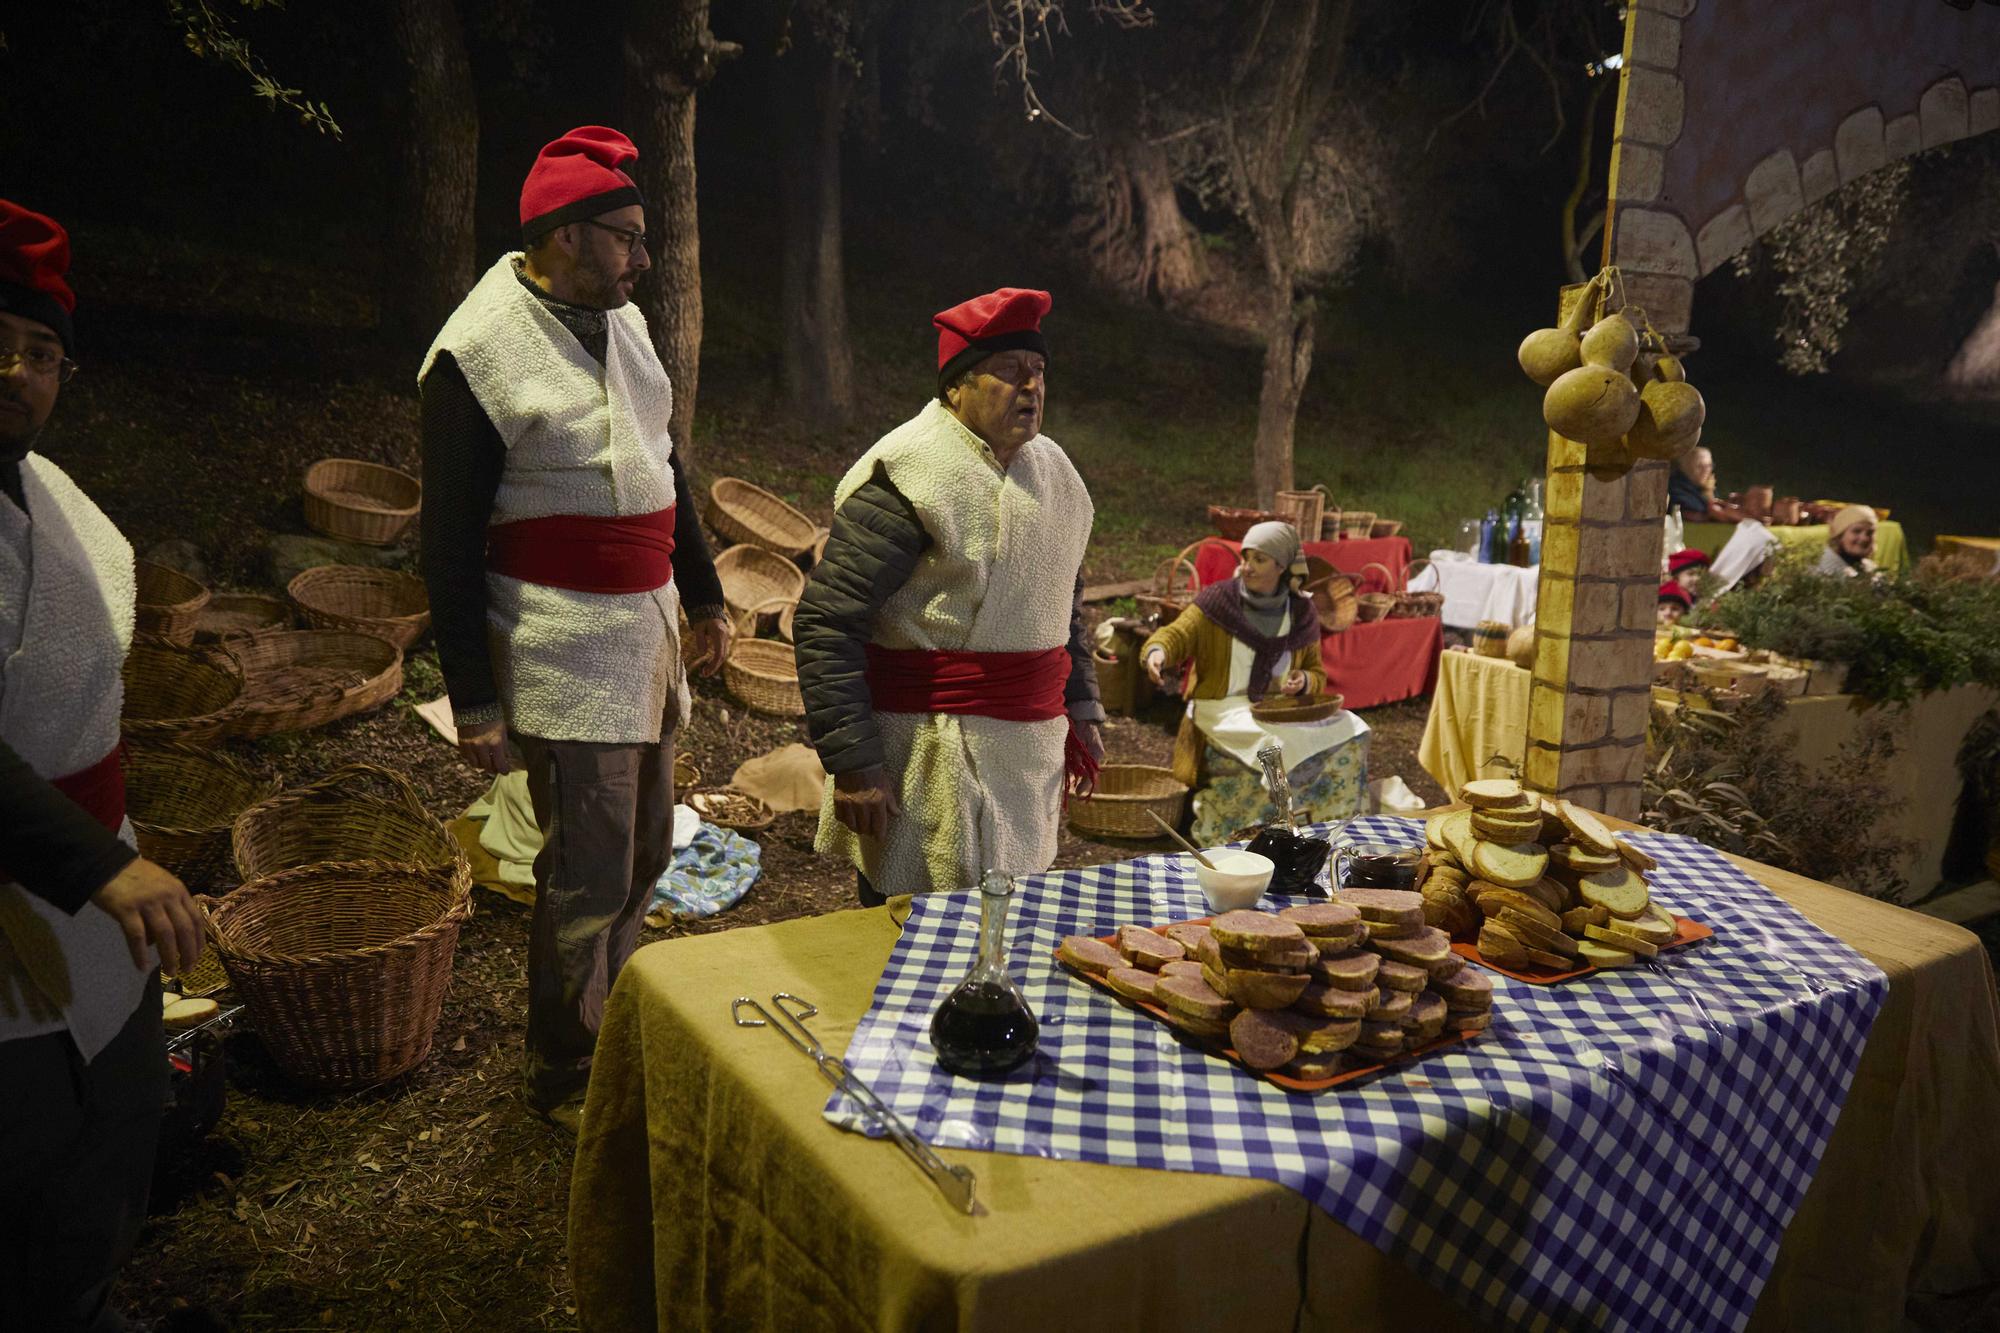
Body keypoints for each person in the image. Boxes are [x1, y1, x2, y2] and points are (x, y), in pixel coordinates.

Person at [417, 126, 731, 1132]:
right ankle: (563, 1065)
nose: (644, 259)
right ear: (560, 234)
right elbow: (449, 538)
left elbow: (664, 467)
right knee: (588, 865)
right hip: (557, 641)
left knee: (643, 851)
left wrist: (708, 591)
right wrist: (471, 692)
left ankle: (614, 1023)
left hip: (642, 627)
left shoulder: (623, 320)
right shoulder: (475, 351)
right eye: (624, 238)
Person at [0, 200, 206, 1331]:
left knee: (116, 1116)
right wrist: (101, 863)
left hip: (97, 892)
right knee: (23, 1146)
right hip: (47, 892)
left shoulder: (55, 499)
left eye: (40, 352)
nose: (17, 371)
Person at [794, 287, 1103, 902]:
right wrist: (853, 764)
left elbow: (1060, 604)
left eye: (1038, 371)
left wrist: (1083, 703)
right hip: (926, 752)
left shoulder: (1056, 473)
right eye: (1009, 372)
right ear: (957, 386)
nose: (1031, 387)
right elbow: (829, 620)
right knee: (905, 938)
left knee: (1008, 933)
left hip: (1024, 751)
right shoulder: (912, 474)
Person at [1140, 522, 1344, 843]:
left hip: (1277, 709)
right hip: (1220, 707)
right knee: (1270, 747)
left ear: (1281, 565)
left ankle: (1326, 826)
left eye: (1259, 560)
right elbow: (1177, 634)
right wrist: (1157, 652)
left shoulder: (1302, 612)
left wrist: (1303, 680)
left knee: (1349, 728)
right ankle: (1270, 834)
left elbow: (1317, 674)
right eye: (1245, 557)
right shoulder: (1218, 601)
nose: (1246, 567)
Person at [1667, 446, 1740, 521]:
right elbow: (1700, 512)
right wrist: (1709, 496)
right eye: (1699, 466)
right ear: (1684, 467)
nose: (1706, 470)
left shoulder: (1701, 486)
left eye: (1709, 465)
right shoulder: (1674, 488)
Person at [1812, 505, 1881, 580]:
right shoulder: (1821, 572)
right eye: (1857, 531)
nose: (1864, 538)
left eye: (1870, 533)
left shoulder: (1871, 569)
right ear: (1839, 536)